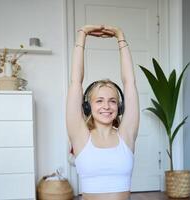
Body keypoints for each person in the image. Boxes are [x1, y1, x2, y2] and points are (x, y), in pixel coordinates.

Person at [66, 24, 139, 200]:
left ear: (119, 107)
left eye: (112, 101)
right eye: (99, 101)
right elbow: (76, 81)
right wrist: (82, 35)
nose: (106, 106)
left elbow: (129, 83)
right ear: (87, 106)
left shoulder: (126, 136)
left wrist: (120, 36)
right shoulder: (80, 136)